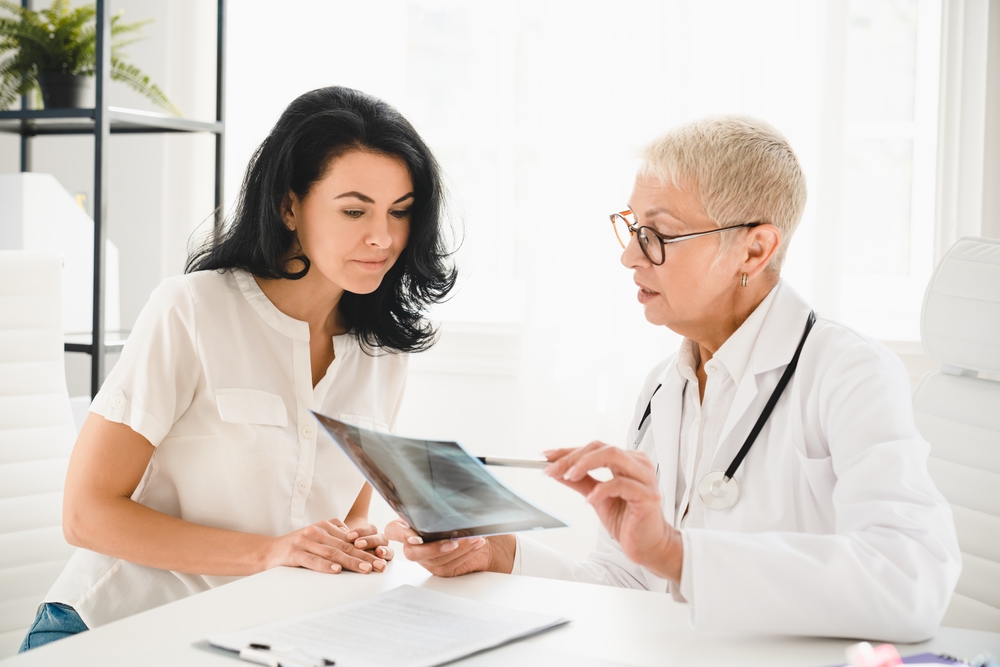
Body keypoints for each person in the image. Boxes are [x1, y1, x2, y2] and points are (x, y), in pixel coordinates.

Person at [387, 116, 962, 642]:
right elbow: (629, 581)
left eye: (658, 234)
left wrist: (680, 554)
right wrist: (501, 553)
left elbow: (910, 584)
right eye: (633, 228)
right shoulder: (666, 386)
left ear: (754, 249)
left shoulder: (848, 372)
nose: (631, 258)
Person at [19, 86, 456, 652]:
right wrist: (271, 552)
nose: (383, 237)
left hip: (253, 639)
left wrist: (367, 547)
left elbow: (341, 521)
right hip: (114, 630)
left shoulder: (383, 353)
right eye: (354, 210)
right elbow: (85, 515)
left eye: (400, 212)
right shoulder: (193, 310)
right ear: (289, 206)